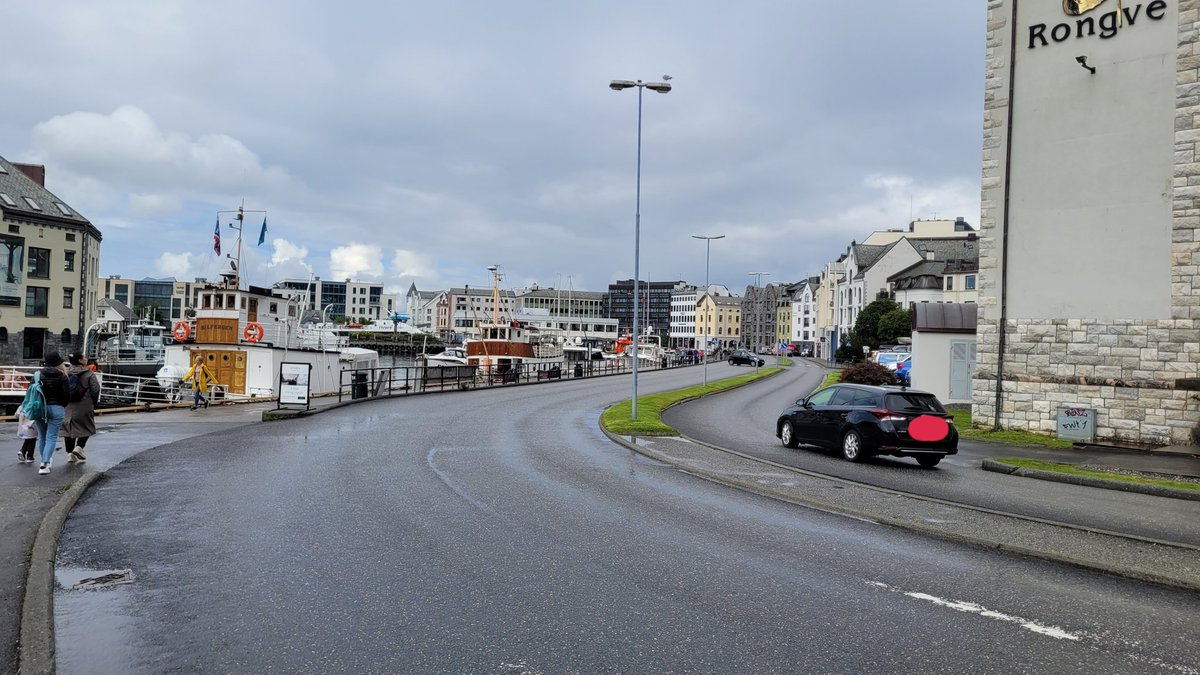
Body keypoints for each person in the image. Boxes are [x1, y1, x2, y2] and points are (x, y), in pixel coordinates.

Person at [32, 352, 70, 475]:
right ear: (59, 363)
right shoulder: (62, 376)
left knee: (42, 436)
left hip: (39, 408)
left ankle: (44, 463)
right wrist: (61, 405)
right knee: (51, 436)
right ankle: (45, 463)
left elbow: (31, 392)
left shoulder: (37, 375)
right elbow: (66, 396)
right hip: (56, 408)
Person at [62, 352, 100, 464]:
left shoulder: (65, 373)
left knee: (68, 429)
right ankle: (79, 447)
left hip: (68, 404)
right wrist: (93, 401)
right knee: (87, 426)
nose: (86, 358)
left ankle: (70, 454)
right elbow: (95, 389)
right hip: (84, 404)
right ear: (80, 361)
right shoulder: (89, 373)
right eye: (84, 357)